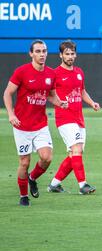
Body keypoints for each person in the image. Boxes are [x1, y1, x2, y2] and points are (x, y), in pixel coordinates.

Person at [3, 40, 68, 206]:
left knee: (46, 158)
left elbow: (51, 95)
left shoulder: (50, 74)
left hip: (40, 125)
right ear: (31, 53)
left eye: (44, 51)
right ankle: (23, 196)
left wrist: (60, 102)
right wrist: (11, 114)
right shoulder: (22, 72)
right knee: (24, 163)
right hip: (21, 125)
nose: (42, 54)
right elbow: (7, 94)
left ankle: (32, 178)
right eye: (38, 51)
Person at [47, 40, 100, 195]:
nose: (70, 56)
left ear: (75, 55)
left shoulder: (79, 72)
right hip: (64, 118)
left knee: (75, 154)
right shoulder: (55, 74)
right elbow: (48, 93)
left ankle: (54, 184)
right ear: (60, 55)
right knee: (76, 149)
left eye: (72, 54)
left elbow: (82, 91)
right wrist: (57, 102)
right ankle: (83, 185)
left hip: (78, 118)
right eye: (67, 54)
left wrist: (92, 103)